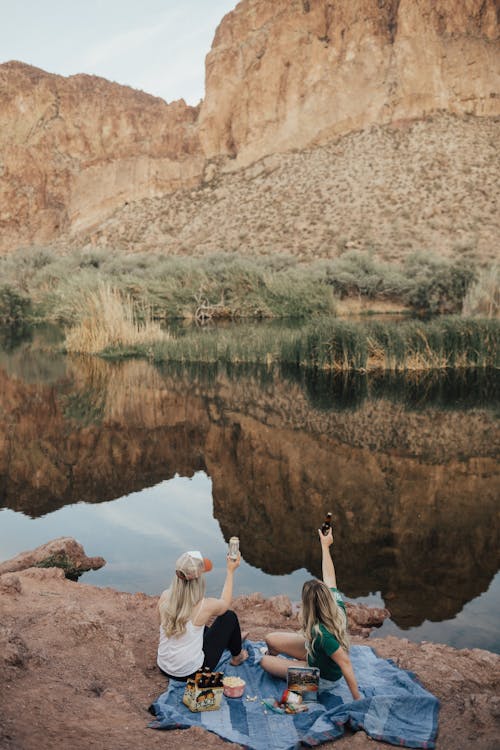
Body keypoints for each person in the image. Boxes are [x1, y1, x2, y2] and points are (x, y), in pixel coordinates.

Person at [260, 528, 361, 700]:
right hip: (316, 654)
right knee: (271, 639)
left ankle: (305, 679)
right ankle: (296, 666)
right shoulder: (336, 605)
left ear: (309, 607)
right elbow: (329, 576)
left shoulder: (321, 633)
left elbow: (346, 663)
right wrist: (325, 546)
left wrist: (357, 699)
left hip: (323, 678)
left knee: (264, 662)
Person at [157, 549, 248, 681]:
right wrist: (230, 571)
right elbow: (225, 603)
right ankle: (237, 657)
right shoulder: (204, 606)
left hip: (164, 666)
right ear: (199, 579)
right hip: (191, 673)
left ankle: (232, 641)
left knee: (192, 627)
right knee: (229, 617)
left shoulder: (165, 596)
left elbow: (160, 624)